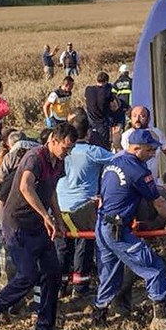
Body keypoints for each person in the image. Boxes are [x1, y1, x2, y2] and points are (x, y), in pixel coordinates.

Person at [0, 123, 78, 330]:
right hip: (18, 224)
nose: (67, 153)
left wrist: (59, 219)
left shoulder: (58, 162)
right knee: (28, 275)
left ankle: (45, 326)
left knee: (53, 272)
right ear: (53, 140)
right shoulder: (35, 158)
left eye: (70, 149)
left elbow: (51, 192)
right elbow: (25, 187)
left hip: (39, 226)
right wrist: (45, 215)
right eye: (65, 148)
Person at [91, 128, 166, 330]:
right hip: (118, 230)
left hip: (103, 224)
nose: (152, 154)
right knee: (155, 268)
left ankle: (99, 315)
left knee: (109, 273)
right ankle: (162, 319)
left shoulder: (112, 163)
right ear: (136, 148)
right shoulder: (139, 171)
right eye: (149, 150)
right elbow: (157, 202)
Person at [55, 110, 113, 298]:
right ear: (88, 133)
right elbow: (119, 160)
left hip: (60, 206)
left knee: (62, 247)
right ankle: (80, 288)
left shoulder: (61, 151)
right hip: (83, 208)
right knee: (84, 245)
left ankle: (60, 286)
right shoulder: (93, 152)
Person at [0, 130, 39, 301]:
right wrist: (8, 228)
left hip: (20, 225)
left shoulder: (36, 176)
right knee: (4, 268)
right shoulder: (15, 178)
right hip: (5, 225)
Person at [120, 106, 166, 183]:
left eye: (142, 116)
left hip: (153, 180)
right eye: (134, 116)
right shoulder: (127, 136)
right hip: (135, 181)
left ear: (148, 119)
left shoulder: (157, 133)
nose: (137, 119)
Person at [84, 72, 114, 150]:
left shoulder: (88, 89)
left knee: (92, 145)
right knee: (103, 146)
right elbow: (114, 106)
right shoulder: (107, 92)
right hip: (102, 123)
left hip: (90, 121)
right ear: (106, 81)